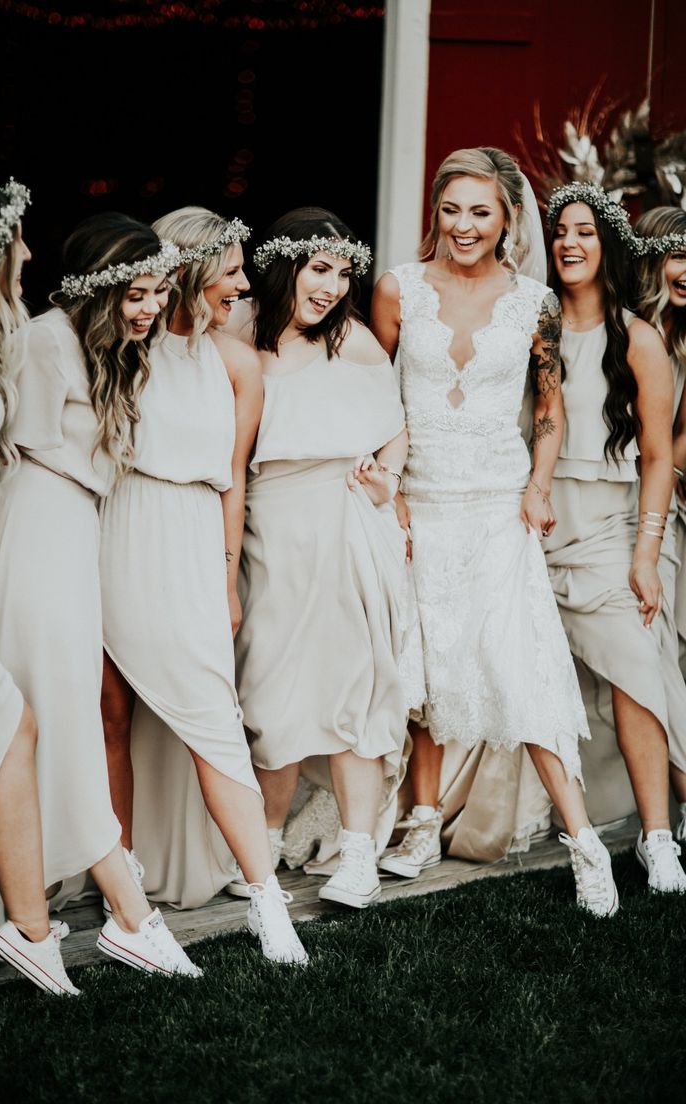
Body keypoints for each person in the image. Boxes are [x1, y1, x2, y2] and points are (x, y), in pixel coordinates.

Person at [371, 147, 618, 917]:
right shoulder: (398, 289)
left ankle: (585, 845)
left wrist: (539, 489)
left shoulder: (533, 301)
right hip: (418, 501)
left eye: (481, 211)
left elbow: (550, 409)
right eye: (451, 209)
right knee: (423, 666)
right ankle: (419, 822)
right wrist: (387, 488)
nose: (464, 226)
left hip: (498, 504)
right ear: (435, 214)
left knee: (523, 667)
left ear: (508, 218)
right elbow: (372, 397)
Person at [0, 212, 203, 977]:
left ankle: (54, 914)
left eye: (156, 291)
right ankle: (126, 913)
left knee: (59, 713)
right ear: (98, 287)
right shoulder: (44, 340)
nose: (148, 308)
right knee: (57, 715)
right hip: (35, 525)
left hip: (76, 535)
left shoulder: (114, 351)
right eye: (135, 292)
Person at [98, 206, 307, 965]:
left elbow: (235, 487)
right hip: (117, 528)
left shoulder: (236, 364)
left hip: (189, 539)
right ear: (189, 271)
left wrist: (225, 580)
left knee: (214, 722)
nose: (244, 284)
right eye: (231, 270)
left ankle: (266, 900)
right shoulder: (126, 347)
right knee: (109, 711)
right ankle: (124, 890)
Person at [234, 207, 409, 909]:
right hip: (269, 526)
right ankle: (262, 850)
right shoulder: (239, 330)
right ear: (288, 267)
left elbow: (396, 426)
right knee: (270, 695)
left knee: (351, 688)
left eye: (344, 273)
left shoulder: (356, 339)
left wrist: (385, 481)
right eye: (320, 269)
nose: (334, 286)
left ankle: (358, 856)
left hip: (344, 517)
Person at [0, 176, 79, 995]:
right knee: (10, 718)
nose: (30, 252)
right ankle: (31, 931)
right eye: (19, 239)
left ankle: (26, 929)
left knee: (3, 725)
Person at [543, 182, 686, 893]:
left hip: (607, 532)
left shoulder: (639, 338)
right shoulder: (530, 328)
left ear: (608, 247)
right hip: (532, 530)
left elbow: (658, 456)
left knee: (635, 669)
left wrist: (645, 556)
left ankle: (657, 838)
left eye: (585, 232)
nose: (570, 243)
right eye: (560, 232)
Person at [632, 204, 686, 843]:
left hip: (666, 500)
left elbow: (672, 448)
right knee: (658, 651)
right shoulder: (632, 333)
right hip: (639, 499)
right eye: (676, 255)